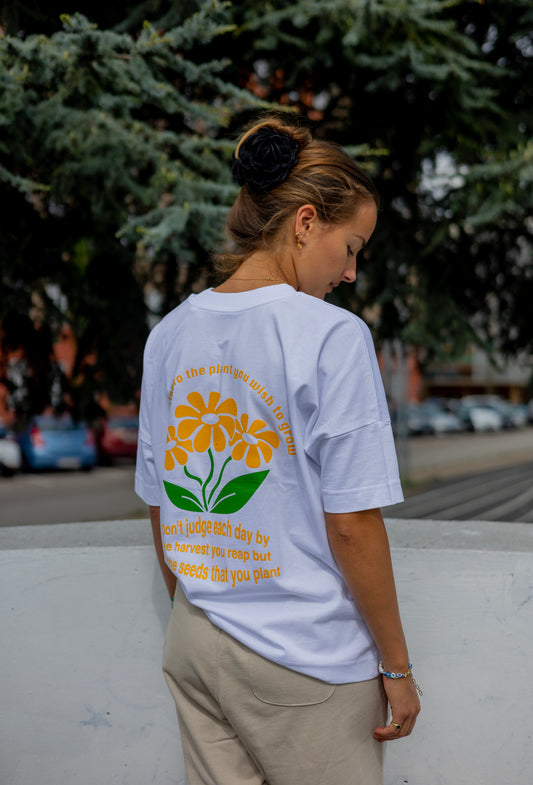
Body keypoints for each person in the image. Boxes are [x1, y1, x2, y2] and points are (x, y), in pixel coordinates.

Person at [135, 114, 421, 785]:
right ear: (303, 222)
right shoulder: (330, 336)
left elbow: (159, 499)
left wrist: (206, 603)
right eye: (349, 247)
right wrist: (397, 667)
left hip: (197, 637)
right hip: (305, 656)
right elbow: (350, 522)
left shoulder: (171, 332)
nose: (349, 273)